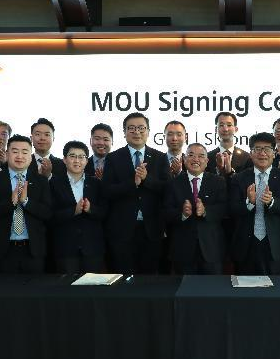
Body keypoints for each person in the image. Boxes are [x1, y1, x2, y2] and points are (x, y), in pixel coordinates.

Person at [102, 112, 169, 274]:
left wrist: (146, 180)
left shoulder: (160, 157)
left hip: (152, 229)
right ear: (124, 132)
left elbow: (167, 189)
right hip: (122, 230)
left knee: (150, 279)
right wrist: (132, 183)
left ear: (148, 131)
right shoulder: (113, 158)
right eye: (131, 128)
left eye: (141, 128)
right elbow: (107, 191)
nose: (136, 132)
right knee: (123, 278)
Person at [0, 135, 52, 274]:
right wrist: (11, 203)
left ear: (31, 156)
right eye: (15, 151)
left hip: (33, 249)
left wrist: (26, 202)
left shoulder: (41, 181)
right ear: (7, 154)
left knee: (34, 286)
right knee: (4, 287)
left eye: (25, 152)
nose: (20, 156)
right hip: (3, 249)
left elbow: (48, 212)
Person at [230, 132, 280, 275]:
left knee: (276, 287)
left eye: (267, 149)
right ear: (251, 154)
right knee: (246, 286)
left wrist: (272, 202)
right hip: (246, 245)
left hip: (276, 245)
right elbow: (232, 209)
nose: (262, 153)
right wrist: (249, 202)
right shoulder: (238, 178)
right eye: (257, 149)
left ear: (274, 154)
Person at [163, 143, 227, 274]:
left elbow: (224, 209)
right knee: (184, 286)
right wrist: (183, 214)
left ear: (207, 161)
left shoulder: (218, 181)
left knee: (213, 285)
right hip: (182, 250)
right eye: (191, 155)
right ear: (184, 159)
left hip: (212, 248)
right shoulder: (173, 183)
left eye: (201, 156)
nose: (196, 159)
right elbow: (165, 212)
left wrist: (205, 211)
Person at [49, 141, 107, 273]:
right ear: (64, 160)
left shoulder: (96, 184)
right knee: (67, 285)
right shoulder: (54, 183)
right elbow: (50, 215)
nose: (77, 160)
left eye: (81, 157)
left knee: (92, 286)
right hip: (65, 249)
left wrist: (90, 209)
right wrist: (73, 211)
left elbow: (105, 212)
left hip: (92, 248)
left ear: (87, 161)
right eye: (72, 156)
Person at [206, 112, 250, 176]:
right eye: (221, 125)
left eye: (229, 125)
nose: (225, 129)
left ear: (236, 129)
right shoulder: (207, 157)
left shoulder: (246, 157)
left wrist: (230, 172)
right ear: (216, 129)